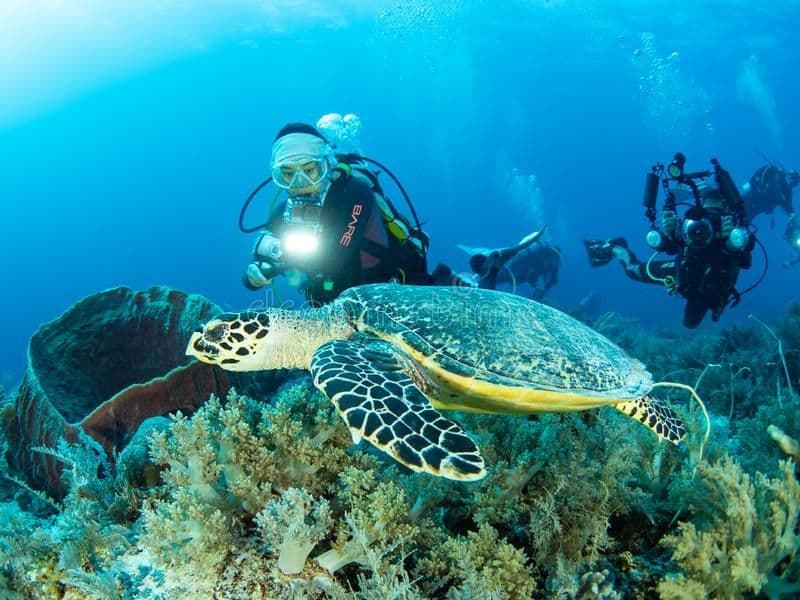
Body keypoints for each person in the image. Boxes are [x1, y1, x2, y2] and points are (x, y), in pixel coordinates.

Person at [242, 123, 465, 305]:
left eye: (309, 170)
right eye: (288, 174)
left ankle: (452, 282)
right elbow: (261, 251)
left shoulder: (355, 193)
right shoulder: (286, 212)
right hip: (339, 302)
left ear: (326, 164)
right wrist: (255, 273)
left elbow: (337, 256)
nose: (300, 183)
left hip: (398, 287)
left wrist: (282, 262)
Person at [585, 154, 755, 329]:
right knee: (633, 270)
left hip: (713, 283)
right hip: (684, 272)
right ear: (700, 210)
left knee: (690, 323)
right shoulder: (690, 225)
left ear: (726, 211)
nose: (710, 221)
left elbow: (746, 260)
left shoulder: (733, 231)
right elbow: (671, 247)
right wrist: (670, 233)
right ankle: (616, 247)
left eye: (717, 214)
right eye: (707, 213)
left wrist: (734, 242)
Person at [458, 227, 560, 298]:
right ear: (548, 254)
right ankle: (466, 281)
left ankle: (470, 281)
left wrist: (538, 289)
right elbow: (519, 254)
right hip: (509, 270)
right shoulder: (535, 255)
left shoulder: (552, 265)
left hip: (513, 275)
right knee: (485, 279)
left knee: (486, 283)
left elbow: (547, 280)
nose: (553, 263)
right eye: (553, 259)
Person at [741, 164, 799, 267]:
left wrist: (793, 220)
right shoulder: (776, 176)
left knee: (744, 222)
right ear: (788, 175)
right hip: (749, 200)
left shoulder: (787, 190)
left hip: (757, 208)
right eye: (792, 179)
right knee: (738, 215)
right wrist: (785, 203)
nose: (791, 182)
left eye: (794, 183)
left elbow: (789, 208)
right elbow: (775, 192)